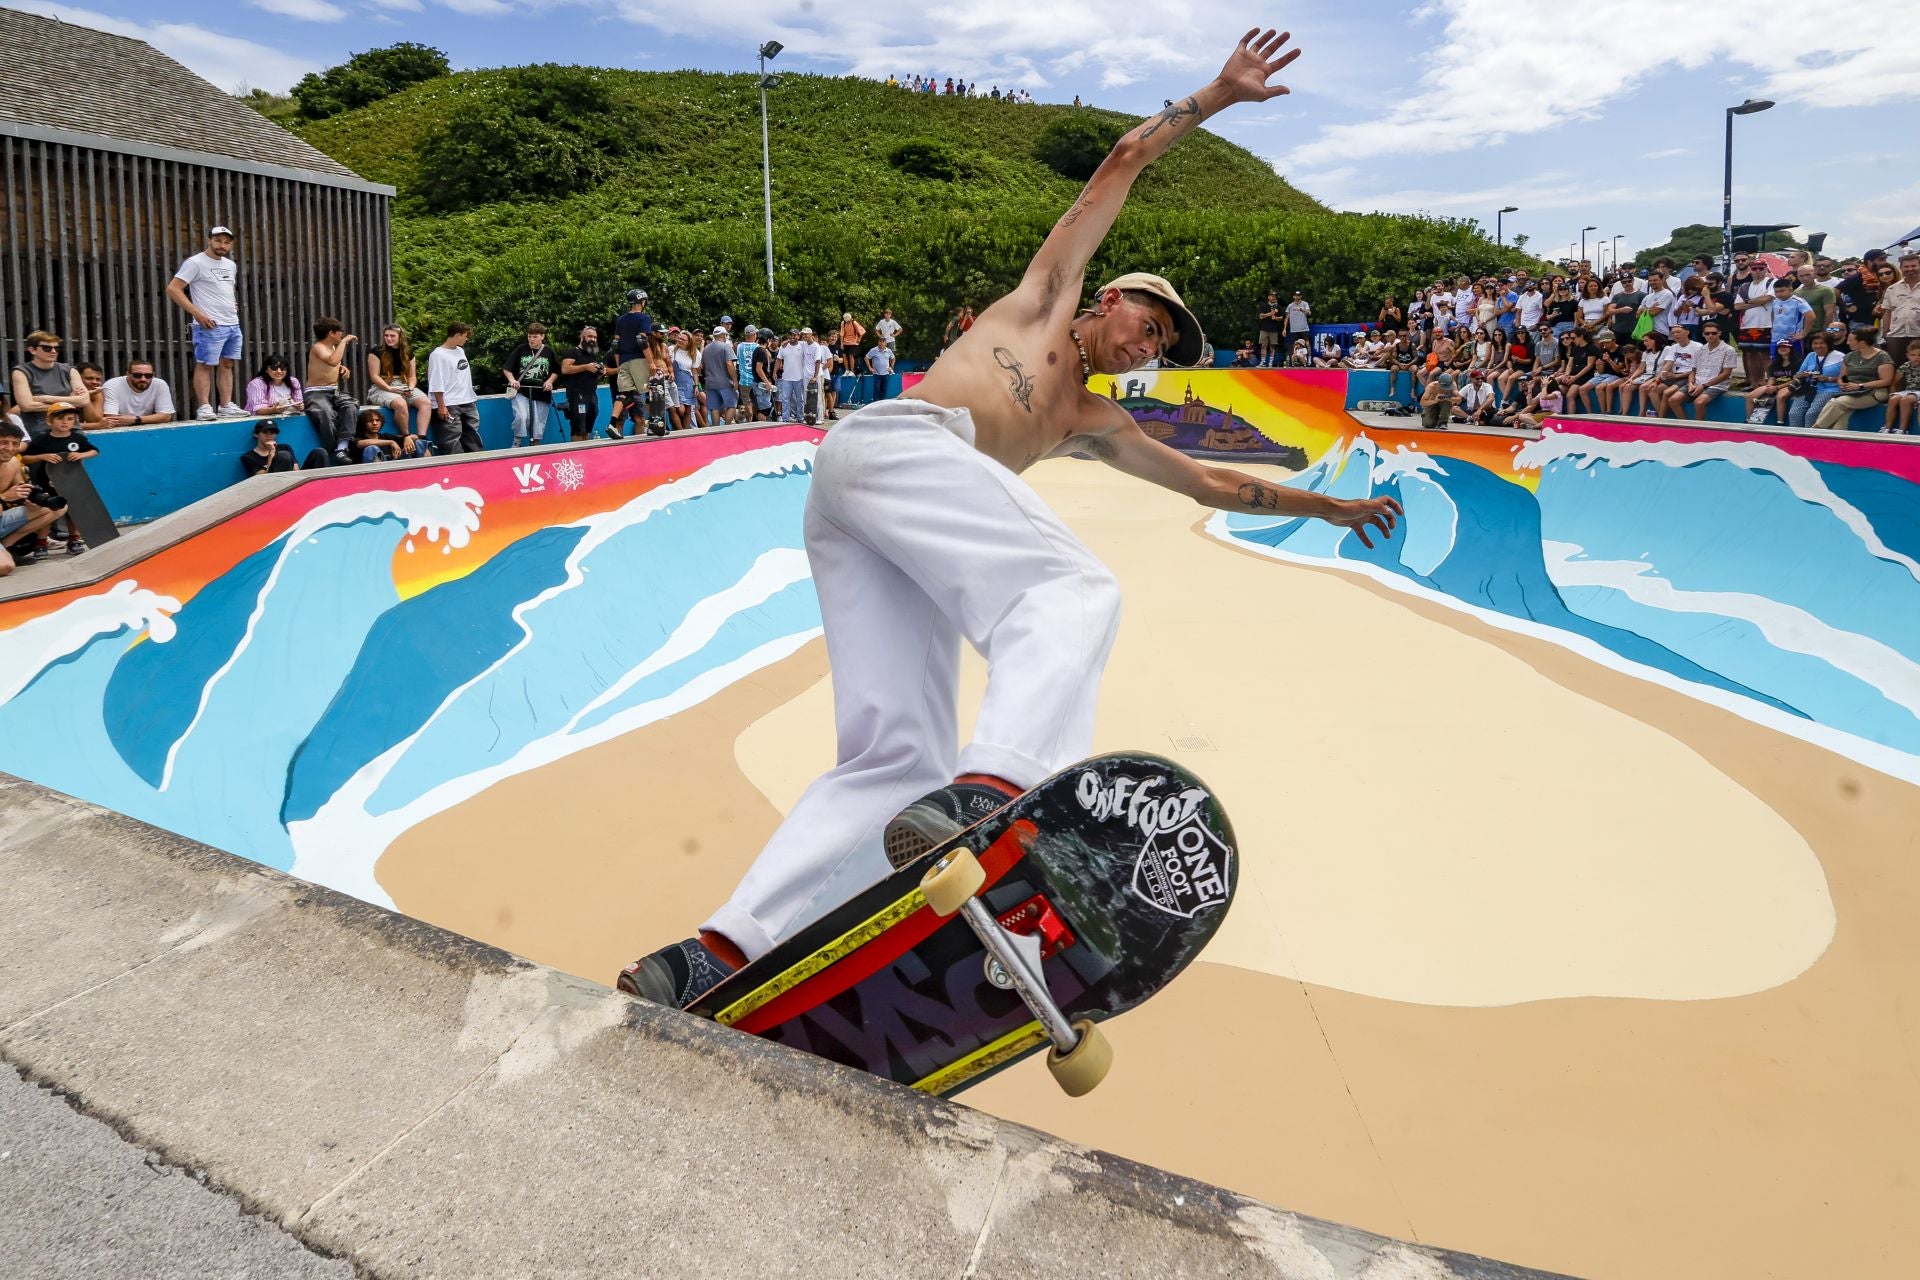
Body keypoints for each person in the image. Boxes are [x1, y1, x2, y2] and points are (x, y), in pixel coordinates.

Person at [617, 28, 1401, 1008]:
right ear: (1107, 299)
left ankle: (719, 952)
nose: (1147, 347)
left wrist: (1325, 502)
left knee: (894, 757)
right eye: (1147, 325)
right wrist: (1220, 94)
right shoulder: (1041, 301)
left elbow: (1209, 484)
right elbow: (1121, 161)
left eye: (1162, 344)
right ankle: (999, 802)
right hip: (892, 446)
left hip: (888, 524)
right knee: (1072, 588)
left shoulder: (1091, 416)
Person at [165, 226, 249, 420]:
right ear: (209, 240)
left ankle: (226, 405)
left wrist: (232, 303)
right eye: (218, 241)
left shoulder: (230, 265)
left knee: (227, 364)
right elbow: (173, 289)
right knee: (205, 364)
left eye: (227, 242)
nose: (222, 245)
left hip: (232, 323)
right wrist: (198, 314)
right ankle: (204, 406)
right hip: (209, 323)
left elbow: (223, 288)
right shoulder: (195, 262)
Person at [22, 400, 98, 555]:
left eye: (70, 419)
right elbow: (25, 458)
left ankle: (74, 540)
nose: (65, 422)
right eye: (60, 418)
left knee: (74, 512)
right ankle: (42, 542)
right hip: (47, 482)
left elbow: (94, 451)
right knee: (49, 511)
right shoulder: (42, 440)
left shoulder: (78, 438)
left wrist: (81, 454)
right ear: (49, 421)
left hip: (72, 481)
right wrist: (43, 456)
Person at [0, 421, 64, 572]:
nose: (9, 448)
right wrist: (4, 497)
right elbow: (5, 497)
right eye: (3, 443)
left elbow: (23, 491)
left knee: (58, 507)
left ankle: (7, 545)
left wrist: (32, 501)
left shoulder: (14, 463)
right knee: (5, 567)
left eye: (14, 444)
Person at [1812, 327, 1895, 431]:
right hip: (1852, 391)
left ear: (1862, 342)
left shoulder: (1882, 356)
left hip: (1873, 392)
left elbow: (1886, 380)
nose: (1847, 343)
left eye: (1850, 340)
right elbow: (1843, 376)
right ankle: (1838, 440)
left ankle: (1816, 429)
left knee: (1837, 402)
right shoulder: (1850, 356)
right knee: (1840, 420)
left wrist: (1860, 385)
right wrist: (1844, 384)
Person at [10, 330, 88, 434]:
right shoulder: (21, 372)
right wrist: (69, 402)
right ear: (32, 350)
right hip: (39, 430)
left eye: (57, 348)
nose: (53, 351)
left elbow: (84, 400)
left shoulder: (69, 370)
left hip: (72, 429)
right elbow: (27, 405)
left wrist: (46, 398)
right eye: (47, 348)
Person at [305, 318, 361, 460]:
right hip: (316, 392)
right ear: (331, 333)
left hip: (334, 390)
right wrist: (344, 342)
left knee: (351, 404)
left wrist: (342, 368)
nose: (341, 335)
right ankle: (332, 449)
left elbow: (331, 363)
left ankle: (343, 446)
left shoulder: (333, 348)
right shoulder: (318, 347)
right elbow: (332, 360)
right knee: (325, 414)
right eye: (340, 333)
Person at [367, 326, 433, 441]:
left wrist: (411, 388)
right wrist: (389, 388)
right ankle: (406, 437)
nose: (388, 338)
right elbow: (374, 376)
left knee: (425, 402)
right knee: (400, 403)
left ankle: (421, 437)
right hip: (382, 385)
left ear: (400, 337)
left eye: (392, 336)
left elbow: (412, 376)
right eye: (386, 335)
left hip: (403, 384)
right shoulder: (376, 351)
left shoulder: (408, 352)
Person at [428, 323, 484, 453]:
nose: (467, 339)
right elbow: (436, 381)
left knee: (472, 437)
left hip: (467, 400)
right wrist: (441, 405)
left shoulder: (460, 351)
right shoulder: (438, 354)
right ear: (457, 335)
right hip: (450, 403)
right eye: (465, 336)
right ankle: (456, 467)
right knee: (451, 439)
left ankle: (475, 466)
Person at [504, 322, 560, 447]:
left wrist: (549, 381)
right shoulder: (521, 349)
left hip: (541, 392)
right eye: (529, 336)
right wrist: (513, 380)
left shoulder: (548, 351)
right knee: (521, 416)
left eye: (535, 337)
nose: (531, 339)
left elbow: (557, 371)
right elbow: (507, 368)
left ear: (542, 336)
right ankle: (517, 442)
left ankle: (535, 446)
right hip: (522, 391)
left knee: (538, 423)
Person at [611, 289, 657, 434]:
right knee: (653, 388)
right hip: (638, 359)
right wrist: (650, 362)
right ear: (643, 302)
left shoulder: (621, 319)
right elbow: (641, 340)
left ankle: (612, 424)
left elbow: (615, 344)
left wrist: (619, 365)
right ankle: (654, 424)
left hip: (624, 361)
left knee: (624, 394)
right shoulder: (643, 318)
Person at [1678, 321, 1739, 419]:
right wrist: (1690, 383)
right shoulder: (1700, 349)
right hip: (1697, 383)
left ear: (1719, 333)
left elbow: (1726, 374)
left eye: (1714, 333)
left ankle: (1699, 431)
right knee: (1673, 399)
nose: (1710, 336)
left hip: (1717, 385)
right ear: (1703, 334)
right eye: (1707, 333)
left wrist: (1704, 385)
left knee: (1699, 403)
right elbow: (1693, 370)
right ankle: (1685, 426)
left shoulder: (1729, 350)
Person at [560, 325, 610, 441]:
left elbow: (590, 376)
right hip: (577, 395)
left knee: (587, 428)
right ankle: (576, 455)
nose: (592, 339)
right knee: (578, 428)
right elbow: (565, 369)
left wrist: (600, 373)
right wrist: (586, 367)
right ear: (582, 337)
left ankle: (585, 453)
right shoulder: (573, 352)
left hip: (591, 395)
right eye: (589, 336)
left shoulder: (591, 355)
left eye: (595, 337)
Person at [1785, 332, 1844, 429]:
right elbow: (1796, 376)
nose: (1818, 346)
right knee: (1794, 413)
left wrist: (1829, 379)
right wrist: (1803, 374)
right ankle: (1797, 440)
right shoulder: (1811, 356)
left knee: (1811, 414)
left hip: (1830, 389)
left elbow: (1846, 378)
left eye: (1822, 343)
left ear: (1828, 344)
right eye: (1815, 343)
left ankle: (1811, 440)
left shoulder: (1840, 357)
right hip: (1809, 388)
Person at [100, 359, 177, 427]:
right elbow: (112, 419)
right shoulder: (112, 385)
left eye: (148, 375)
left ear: (153, 375)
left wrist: (136, 419)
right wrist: (152, 419)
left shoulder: (160, 384)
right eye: (137, 375)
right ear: (128, 374)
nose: (143, 379)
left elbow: (166, 416)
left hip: (148, 430)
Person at [1741, 340, 1802, 425]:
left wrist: (1777, 388)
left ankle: (1780, 422)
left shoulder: (1798, 362)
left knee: (1780, 397)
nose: (1783, 348)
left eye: (1785, 346)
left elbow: (1796, 380)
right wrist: (1769, 386)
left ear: (1790, 348)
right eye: (1780, 347)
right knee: (1750, 396)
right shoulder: (1775, 362)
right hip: (1775, 385)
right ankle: (1749, 420)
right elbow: (1772, 377)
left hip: (1792, 384)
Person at [1876, 252, 1920, 367]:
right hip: (1896, 336)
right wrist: (1886, 334)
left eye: (1913, 266)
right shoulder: (1892, 289)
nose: (1910, 269)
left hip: (1918, 333)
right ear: (1900, 268)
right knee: (1897, 369)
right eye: (1906, 266)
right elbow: (1887, 312)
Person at [702, 326, 740, 424]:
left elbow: (703, 366)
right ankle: (726, 428)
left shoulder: (706, 348)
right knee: (732, 405)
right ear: (723, 335)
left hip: (710, 383)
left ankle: (716, 430)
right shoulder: (726, 346)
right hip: (725, 382)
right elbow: (729, 364)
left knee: (715, 407)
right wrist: (735, 380)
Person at [1887, 342, 1920, 434]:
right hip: (1909, 390)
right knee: (1893, 399)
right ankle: (1887, 428)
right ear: (1908, 355)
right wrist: (1892, 393)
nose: (1916, 357)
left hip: (1918, 391)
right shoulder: (1905, 365)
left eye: (1919, 355)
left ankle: (1902, 430)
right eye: (1913, 355)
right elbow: (1895, 381)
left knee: (1906, 400)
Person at [776, 328, 806, 422]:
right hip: (786, 378)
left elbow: (811, 342)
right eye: (791, 335)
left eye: (795, 335)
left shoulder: (803, 345)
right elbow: (778, 359)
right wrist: (774, 372)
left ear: (798, 336)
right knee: (785, 399)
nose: (792, 337)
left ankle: (800, 417)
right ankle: (785, 418)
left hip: (799, 377)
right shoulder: (783, 346)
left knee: (800, 399)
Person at [1256, 290, 1283, 366]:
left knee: (1272, 346)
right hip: (1264, 329)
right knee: (1263, 345)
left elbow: (1281, 318)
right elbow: (1261, 316)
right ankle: (1263, 362)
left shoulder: (1278, 306)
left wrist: (1276, 318)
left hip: (1274, 329)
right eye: (1272, 296)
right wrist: (1269, 314)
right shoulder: (1263, 305)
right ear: (1268, 297)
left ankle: (1271, 363)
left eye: (1274, 296)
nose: (1273, 297)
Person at [1284, 290, 1311, 363]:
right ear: (1293, 296)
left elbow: (1309, 313)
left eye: (1299, 295)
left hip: (1304, 327)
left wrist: (1302, 309)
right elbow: (1287, 318)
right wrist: (1284, 329)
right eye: (1296, 295)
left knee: (1307, 343)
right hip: (1294, 329)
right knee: (1294, 345)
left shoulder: (1305, 304)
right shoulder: (1290, 305)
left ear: (1301, 296)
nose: (1297, 296)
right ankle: (1294, 361)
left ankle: (1309, 360)